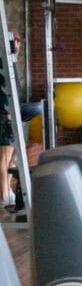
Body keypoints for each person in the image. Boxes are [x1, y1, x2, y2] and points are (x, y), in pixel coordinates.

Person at [0, 30, 20, 208]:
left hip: (11, 113)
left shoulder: (11, 61)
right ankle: (4, 192)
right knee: (4, 157)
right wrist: (6, 113)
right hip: (4, 114)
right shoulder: (3, 63)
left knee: (13, 156)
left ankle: (7, 190)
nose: (18, 45)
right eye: (16, 42)